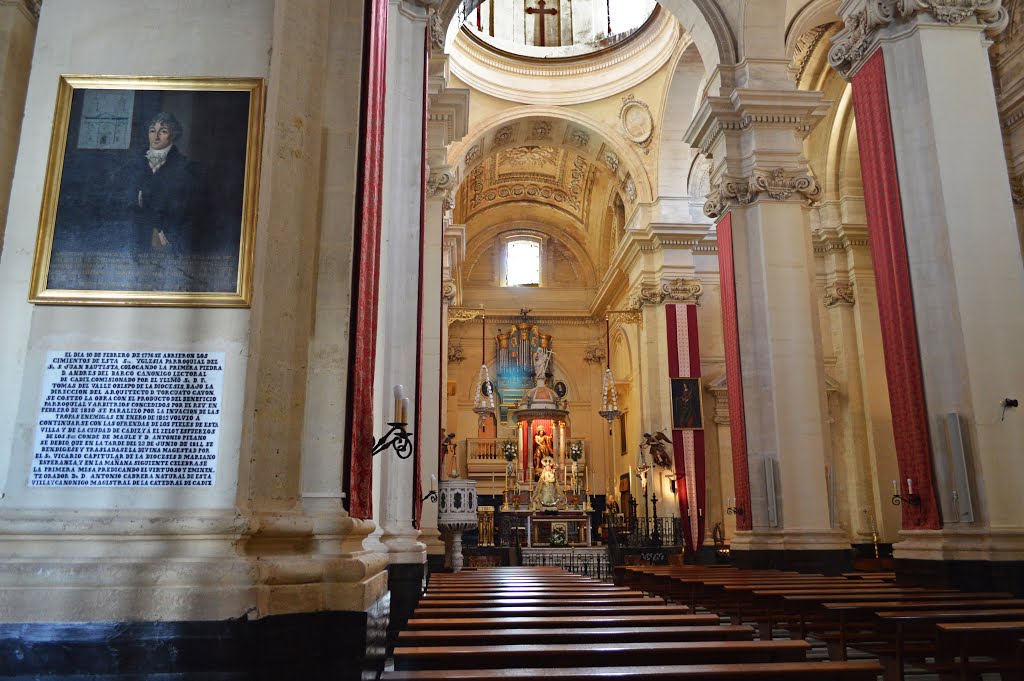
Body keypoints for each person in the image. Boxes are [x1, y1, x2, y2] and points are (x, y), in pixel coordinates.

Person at [133, 112, 197, 255]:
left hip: (168, 237)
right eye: (152, 131)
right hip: (136, 236)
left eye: (163, 131)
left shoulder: (185, 167)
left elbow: (184, 207)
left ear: (173, 135)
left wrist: (162, 230)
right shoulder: (134, 164)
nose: (156, 136)